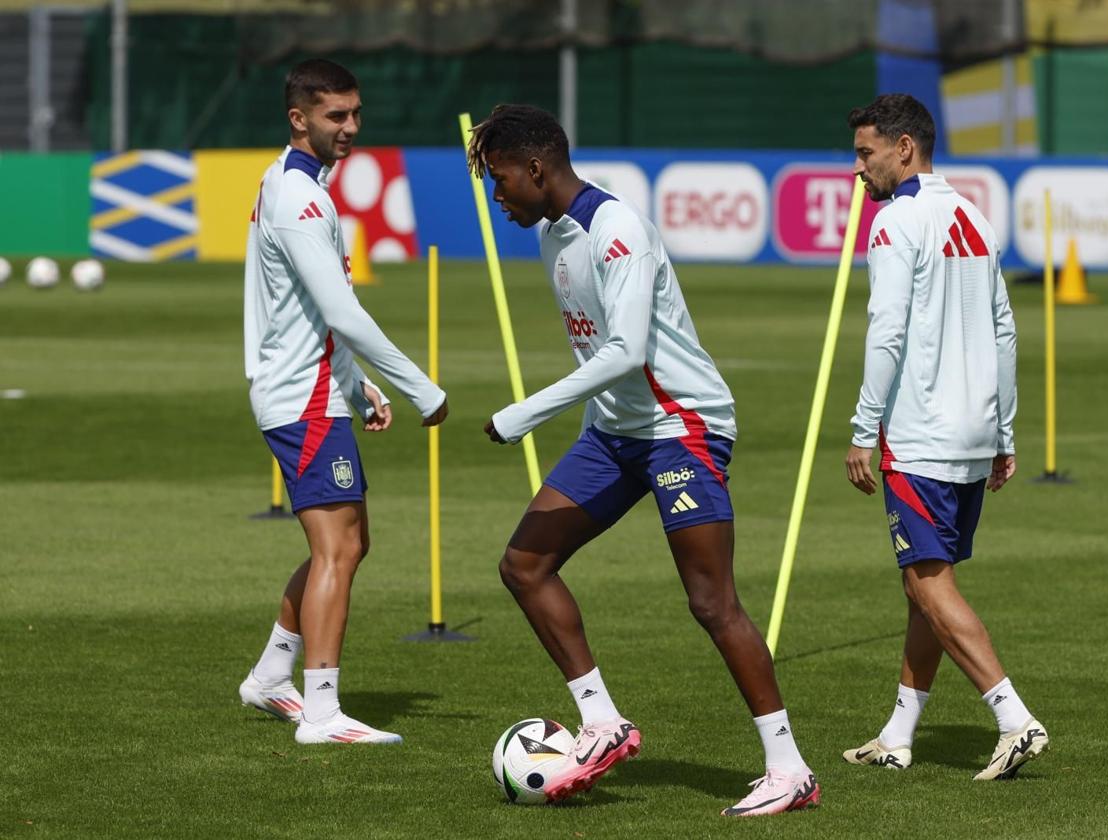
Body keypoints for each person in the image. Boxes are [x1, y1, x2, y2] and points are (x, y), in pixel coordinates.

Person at [466, 104, 819, 816]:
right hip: (615, 432)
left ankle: (790, 770)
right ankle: (600, 721)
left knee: (711, 601)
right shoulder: (552, 237)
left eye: (500, 179)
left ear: (536, 169)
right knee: (524, 566)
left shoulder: (616, 228)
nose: (496, 195)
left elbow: (626, 350)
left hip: (682, 427)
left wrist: (522, 413)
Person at [239, 58, 448, 745]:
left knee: (350, 543)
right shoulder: (299, 198)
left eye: (356, 113)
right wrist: (420, 387)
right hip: (300, 398)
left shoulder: (298, 186)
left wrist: (359, 391)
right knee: (336, 548)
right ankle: (321, 712)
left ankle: (271, 676)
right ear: (299, 119)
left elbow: (319, 314)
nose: (351, 127)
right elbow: (342, 311)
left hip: (317, 392)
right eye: (336, 115)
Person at [841, 93, 1048, 780]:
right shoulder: (973, 216)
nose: (858, 169)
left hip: (921, 435)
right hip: (973, 426)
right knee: (925, 586)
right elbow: (1005, 331)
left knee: (927, 581)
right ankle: (898, 734)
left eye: (866, 153)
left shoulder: (896, 224)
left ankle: (1013, 717)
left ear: (905, 149)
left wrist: (863, 428)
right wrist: (1005, 430)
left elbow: (888, 331)